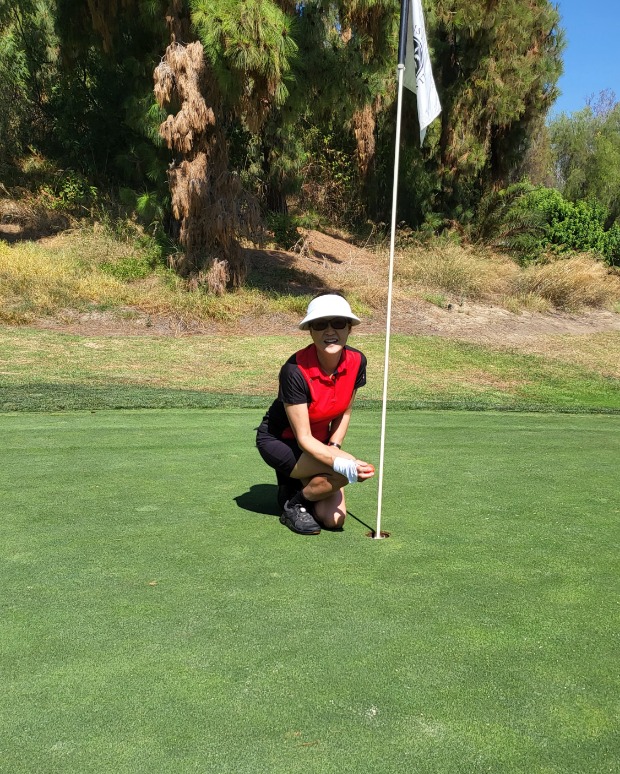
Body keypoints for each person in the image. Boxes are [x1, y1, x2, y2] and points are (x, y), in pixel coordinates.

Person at [256, 292, 375, 535]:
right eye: (320, 325)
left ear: (349, 328)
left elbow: (345, 411)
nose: (330, 331)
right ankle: (294, 504)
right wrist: (340, 462)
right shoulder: (294, 370)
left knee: (333, 520)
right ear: (310, 331)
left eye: (338, 323)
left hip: (318, 442)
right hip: (281, 442)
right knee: (343, 471)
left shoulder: (357, 361)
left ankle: (293, 484)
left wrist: (334, 446)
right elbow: (303, 438)